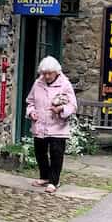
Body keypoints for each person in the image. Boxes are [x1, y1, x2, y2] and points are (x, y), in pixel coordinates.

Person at [25, 55, 77, 194]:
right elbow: (30, 102)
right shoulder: (38, 83)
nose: (47, 76)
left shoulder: (65, 84)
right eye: (44, 73)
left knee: (56, 154)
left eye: (49, 73)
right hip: (40, 125)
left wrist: (61, 109)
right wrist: (31, 112)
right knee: (40, 152)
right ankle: (44, 177)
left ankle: (54, 181)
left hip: (58, 126)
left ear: (56, 72)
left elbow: (73, 106)